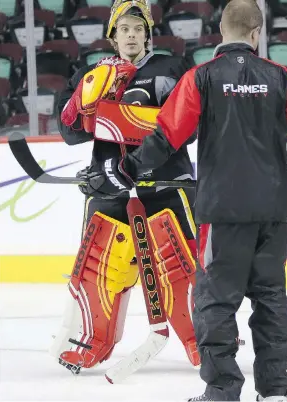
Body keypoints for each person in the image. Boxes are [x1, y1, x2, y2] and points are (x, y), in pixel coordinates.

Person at [75, 0, 287, 399]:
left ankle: (222, 392)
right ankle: (273, 391)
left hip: (222, 211)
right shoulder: (280, 77)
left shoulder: (201, 78)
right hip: (271, 210)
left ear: (221, 33)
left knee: (215, 304)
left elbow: (167, 136)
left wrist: (126, 170)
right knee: (270, 299)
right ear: (257, 33)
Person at [49, 0, 201, 374]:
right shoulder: (92, 73)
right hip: (108, 186)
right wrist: (83, 102)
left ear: (147, 34)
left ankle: (204, 342)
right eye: (124, 29)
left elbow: (192, 127)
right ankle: (94, 342)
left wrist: (137, 121)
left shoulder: (172, 68)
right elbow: (69, 134)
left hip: (165, 184)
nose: (131, 36)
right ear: (112, 35)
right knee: (99, 270)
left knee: (180, 267)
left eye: (137, 29)